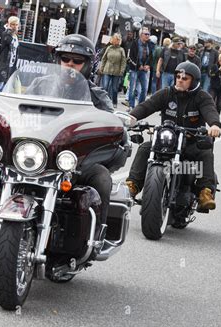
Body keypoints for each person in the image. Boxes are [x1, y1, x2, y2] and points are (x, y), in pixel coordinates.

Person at [27, 34, 114, 223]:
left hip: (77, 163)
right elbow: (17, 112)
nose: (70, 64)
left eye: (77, 61)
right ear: (58, 60)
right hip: (37, 156)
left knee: (102, 178)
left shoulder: (97, 96)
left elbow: (112, 125)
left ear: (89, 64)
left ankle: (98, 234)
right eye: (65, 59)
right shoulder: (39, 85)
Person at [125, 61, 221, 210]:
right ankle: (132, 185)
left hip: (191, 142)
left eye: (185, 78)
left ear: (194, 81)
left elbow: (210, 110)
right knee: (145, 148)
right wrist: (132, 117)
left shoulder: (202, 96)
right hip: (167, 141)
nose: (180, 80)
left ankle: (205, 192)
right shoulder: (167, 93)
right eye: (178, 77)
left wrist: (214, 125)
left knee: (206, 153)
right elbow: (147, 105)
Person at [0, 16, 20, 96]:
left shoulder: (16, 36)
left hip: (11, 63)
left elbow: (16, 49)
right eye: (13, 24)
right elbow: (7, 41)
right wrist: (9, 30)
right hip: (4, 62)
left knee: (5, 86)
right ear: (9, 24)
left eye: (16, 24)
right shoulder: (6, 34)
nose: (15, 26)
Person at [98, 33, 126, 108]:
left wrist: (121, 71)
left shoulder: (121, 50)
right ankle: (103, 102)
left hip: (116, 72)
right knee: (105, 87)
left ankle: (114, 102)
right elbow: (104, 59)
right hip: (107, 70)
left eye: (116, 39)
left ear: (119, 40)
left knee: (114, 88)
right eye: (113, 38)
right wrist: (101, 68)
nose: (114, 40)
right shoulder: (109, 48)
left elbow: (123, 61)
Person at [127, 27, 152, 109]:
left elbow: (151, 57)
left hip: (144, 70)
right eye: (146, 34)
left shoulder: (149, 44)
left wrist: (148, 65)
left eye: (148, 34)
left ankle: (140, 107)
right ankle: (131, 106)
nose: (148, 36)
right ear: (141, 35)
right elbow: (130, 57)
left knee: (144, 89)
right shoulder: (135, 43)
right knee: (133, 88)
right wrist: (139, 66)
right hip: (135, 69)